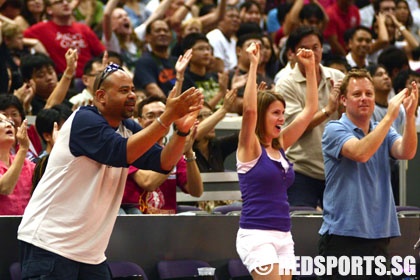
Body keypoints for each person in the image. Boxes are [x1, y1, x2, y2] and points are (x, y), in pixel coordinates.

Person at [17, 63, 203, 279]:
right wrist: (166, 117)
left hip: (91, 253)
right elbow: (122, 152)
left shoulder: (128, 127)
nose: (132, 95)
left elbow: (164, 162)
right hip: (49, 243)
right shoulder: (83, 120)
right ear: (101, 96)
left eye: (133, 89)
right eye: (124, 90)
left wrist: (181, 131)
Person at [319, 68, 418, 277]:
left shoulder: (383, 130)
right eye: (357, 94)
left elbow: (407, 151)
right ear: (344, 100)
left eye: (368, 94)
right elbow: (361, 152)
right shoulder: (334, 129)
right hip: (343, 236)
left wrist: (409, 117)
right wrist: (390, 116)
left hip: (379, 234)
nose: (364, 99)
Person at [236, 42, 318, 279]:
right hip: (257, 234)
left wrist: (310, 68)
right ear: (263, 115)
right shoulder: (250, 147)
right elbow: (249, 111)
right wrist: (253, 65)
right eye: (275, 113)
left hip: (284, 234)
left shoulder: (279, 144)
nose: (282, 118)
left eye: (283, 112)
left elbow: (310, 109)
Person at [275, 26, 345, 208]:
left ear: (322, 48)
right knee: (300, 227)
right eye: (305, 49)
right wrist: (328, 110)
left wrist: (344, 108)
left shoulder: (338, 77)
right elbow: (294, 129)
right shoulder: (286, 85)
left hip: (336, 170)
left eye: (316, 47)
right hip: (301, 171)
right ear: (292, 53)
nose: (312, 53)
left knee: (340, 231)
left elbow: (349, 123)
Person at [23, 0, 105, 78]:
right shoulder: (41, 29)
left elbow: (103, 54)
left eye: (68, 1)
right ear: (49, 10)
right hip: (63, 80)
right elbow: (15, 39)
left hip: (89, 78)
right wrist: (34, 42)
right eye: (59, 2)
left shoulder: (83, 28)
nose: (65, 4)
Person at [0, 114, 34, 215]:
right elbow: (5, 188)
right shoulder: (22, 155)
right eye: (1, 121)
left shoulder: (27, 164)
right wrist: (23, 148)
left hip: (25, 228)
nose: (8, 125)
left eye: (10, 123)